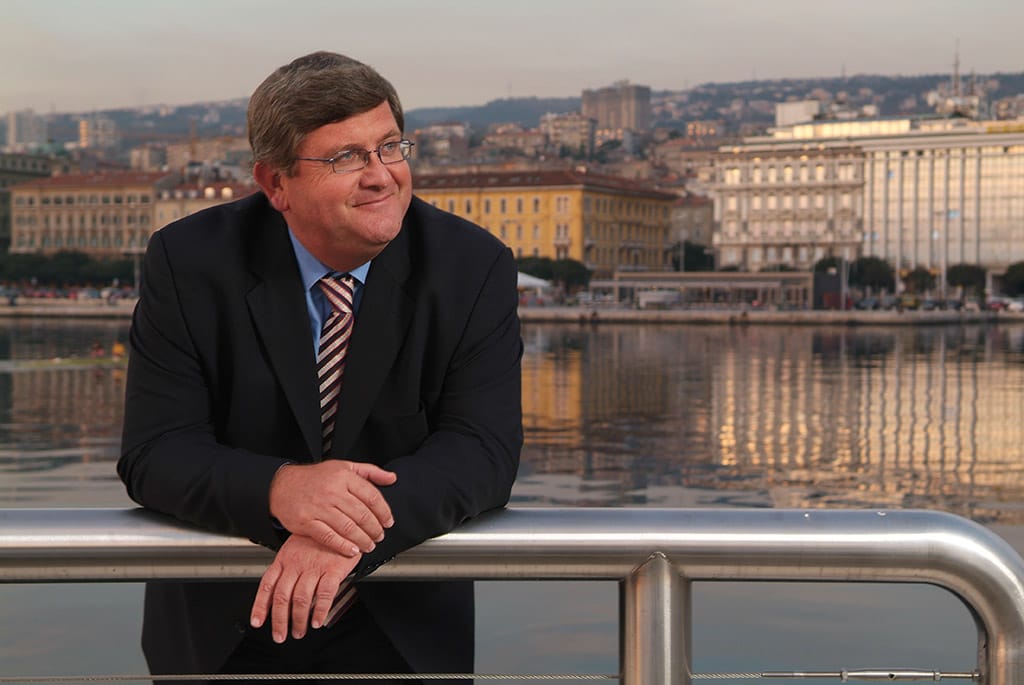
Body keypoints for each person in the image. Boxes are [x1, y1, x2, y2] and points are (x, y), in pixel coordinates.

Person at [118, 51, 523, 683]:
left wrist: (340, 530)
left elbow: (483, 450)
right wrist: (281, 489)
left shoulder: (471, 265)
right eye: (345, 158)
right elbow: (156, 452)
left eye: (390, 147)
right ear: (275, 183)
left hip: (403, 633)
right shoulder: (189, 260)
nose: (381, 176)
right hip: (223, 632)